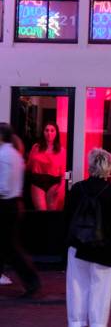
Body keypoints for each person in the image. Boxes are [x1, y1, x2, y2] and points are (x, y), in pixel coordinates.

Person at [65, 148, 111, 327]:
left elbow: (66, 217)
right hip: (103, 248)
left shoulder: (77, 189)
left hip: (78, 246)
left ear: (90, 166)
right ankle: (97, 323)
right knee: (101, 289)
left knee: (77, 287)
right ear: (107, 167)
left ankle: (76, 322)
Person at [0, 123, 41, 297]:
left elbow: (3, 186)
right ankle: (31, 281)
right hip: (14, 203)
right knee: (8, 245)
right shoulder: (16, 155)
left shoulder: (3, 155)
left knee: (10, 247)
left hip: (5, 204)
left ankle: (32, 281)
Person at [27, 121, 67, 211]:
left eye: (52, 130)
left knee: (52, 212)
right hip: (37, 181)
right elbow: (29, 166)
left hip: (54, 182)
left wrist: (62, 187)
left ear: (56, 133)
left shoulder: (61, 150)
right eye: (47, 130)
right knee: (41, 212)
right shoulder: (36, 147)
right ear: (43, 132)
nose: (49, 133)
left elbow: (64, 172)